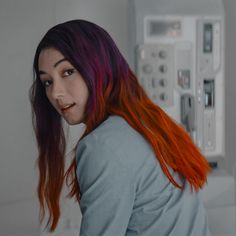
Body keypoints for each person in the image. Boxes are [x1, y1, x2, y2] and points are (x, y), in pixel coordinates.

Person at [30, 19, 211, 236]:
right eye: (47, 82)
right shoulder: (148, 120)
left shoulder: (102, 145)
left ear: (97, 65)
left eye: (67, 72)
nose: (55, 93)